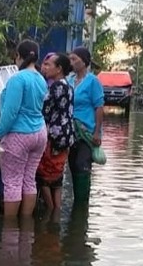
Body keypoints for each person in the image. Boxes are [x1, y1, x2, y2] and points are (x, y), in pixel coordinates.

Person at [0, 40, 48, 217]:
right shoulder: (41, 79)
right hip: (39, 133)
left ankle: (10, 229)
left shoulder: (17, 79)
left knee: (12, 182)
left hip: (19, 135)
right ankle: (26, 225)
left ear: (19, 57)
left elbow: (10, 112)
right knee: (29, 180)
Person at [36, 52, 75, 213]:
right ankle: (56, 215)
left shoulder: (57, 86)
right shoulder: (67, 85)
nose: (45, 68)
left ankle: (50, 213)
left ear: (59, 69)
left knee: (43, 175)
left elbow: (45, 111)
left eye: (48, 65)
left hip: (54, 135)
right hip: (66, 135)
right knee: (57, 176)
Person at [67, 46, 104, 203]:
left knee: (82, 164)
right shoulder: (68, 80)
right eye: (70, 59)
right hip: (70, 132)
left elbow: (99, 107)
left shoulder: (93, 81)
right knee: (72, 165)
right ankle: (76, 203)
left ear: (84, 62)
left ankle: (82, 205)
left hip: (86, 132)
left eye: (74, 59)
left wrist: (97, 132)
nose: (72, 62)